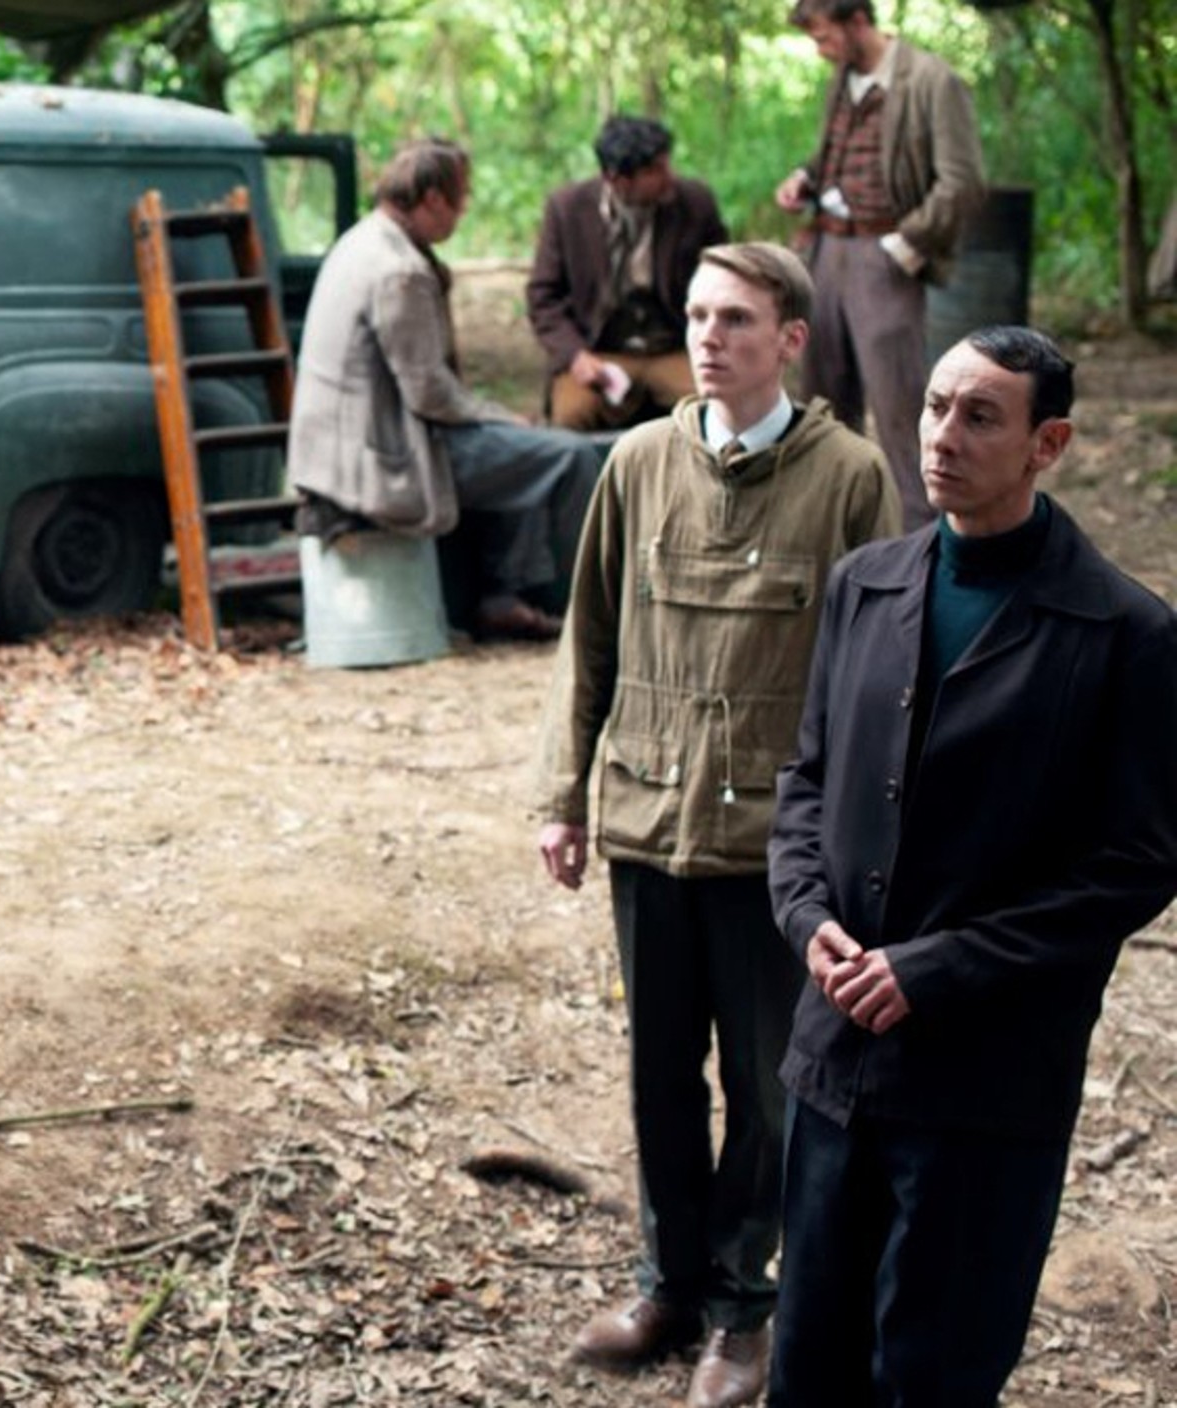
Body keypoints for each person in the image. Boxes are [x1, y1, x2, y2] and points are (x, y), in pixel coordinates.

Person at [767, 326, 1177, 1402]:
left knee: (933, 1374)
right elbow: (805, 784)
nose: (941, 435)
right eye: (936, 405)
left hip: (984, 1082)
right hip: (832, 1059)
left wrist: (937, 967)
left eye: (979, 416)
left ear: (1050, 444)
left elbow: (1135, 865)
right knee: (807, 1359)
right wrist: (805, 913)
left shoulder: (1125, 632)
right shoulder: (864, 585)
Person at [536, 242, 896, 1408]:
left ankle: (746, 1309)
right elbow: (584, 641)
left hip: (771, 854)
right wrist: (563, 797)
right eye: (695, 315)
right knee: (656, 1076)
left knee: (766, 1086)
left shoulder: (847, 475)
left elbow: (876, 675)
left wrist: (855, 851)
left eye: (735, 318)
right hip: (647, 823)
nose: (706, 337)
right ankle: (668, 1281)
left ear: (789, 338)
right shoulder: (636, 461)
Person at [290, 137, 606, 640]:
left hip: (357, 441)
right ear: (433, 199)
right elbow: (429, 393)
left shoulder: (363, 240)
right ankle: (581, 610)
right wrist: (500, 416)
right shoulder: (399, 270)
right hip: (382, 455)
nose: (461, 213)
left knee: (526, 452)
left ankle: (503, 594)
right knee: (569, 458)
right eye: (461, 199)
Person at [775, 0, 985, 529]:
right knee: (822, 400)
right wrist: (807, 177)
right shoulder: (841, 78)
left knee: (899, 408)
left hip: (884, 255)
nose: (820, 50)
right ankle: (831, 530)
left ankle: (920, 541)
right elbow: (838, 156)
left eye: (825, 37)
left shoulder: (932, 81)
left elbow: (963, 183)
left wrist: (905, 244)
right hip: (826, 250)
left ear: (858, 22)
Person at [525, 115, 732, 433]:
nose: (669, 177)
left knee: (718, 411)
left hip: (674, 346)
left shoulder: (695, 203)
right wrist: (576, 356)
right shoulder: (567, 209)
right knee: (570, 419)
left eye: (667, 164)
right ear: (617, 179)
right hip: (598, 350)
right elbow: (543, 297)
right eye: (655, 170)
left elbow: (724, 279)